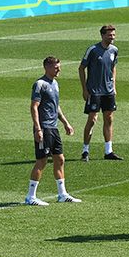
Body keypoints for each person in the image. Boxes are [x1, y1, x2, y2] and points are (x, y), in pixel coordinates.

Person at [25, 56, 80, 205]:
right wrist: (38, 128)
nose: (59, 69)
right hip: (44, 127)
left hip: (53, 127)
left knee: (60, 159)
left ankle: (62, 194)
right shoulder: (40, 84)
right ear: (47, 67)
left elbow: (56, 106)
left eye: (59, 67)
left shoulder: (55, 84)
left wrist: (65, 123)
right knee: (42, 161)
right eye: (56, 67)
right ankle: (31, 196)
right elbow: (34, 106)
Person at [79, 24, 122, 161]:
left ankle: (108, 151)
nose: (112, 37)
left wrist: (113, 86)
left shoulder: (114, 50)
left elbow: (113, 67)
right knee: (92, 120)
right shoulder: (93, 50)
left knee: (109, 118)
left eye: (114, 35)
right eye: (110, 35)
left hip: (108, 91)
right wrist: (85, 89)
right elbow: (81, 68)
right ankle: (85, 150)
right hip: (94, 91)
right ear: (103, 35)